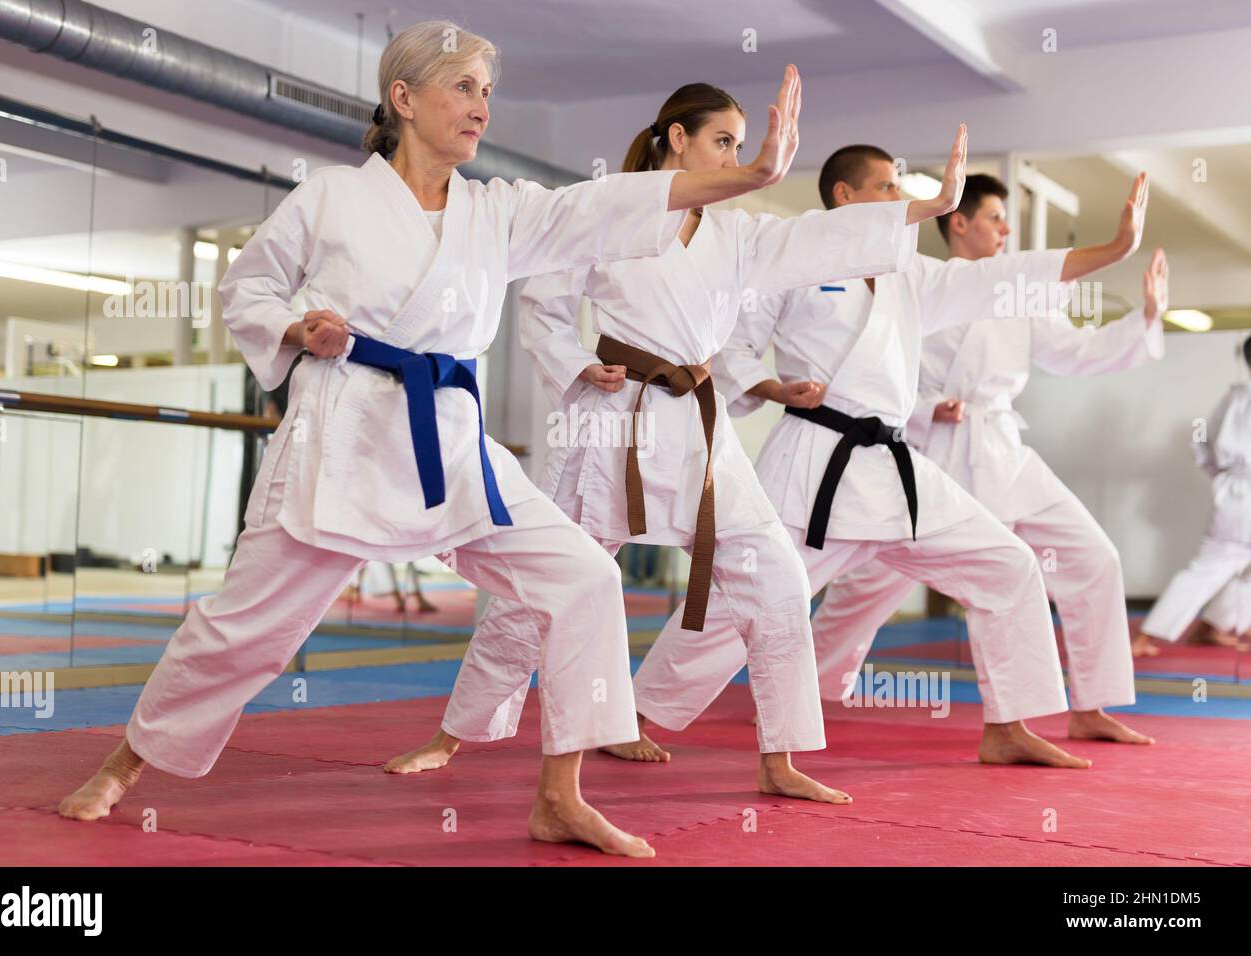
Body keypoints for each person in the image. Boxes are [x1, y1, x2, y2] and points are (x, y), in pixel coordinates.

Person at [58, 21, 808, 858]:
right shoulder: (332, 198)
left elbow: (598, 208)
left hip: (453, 444)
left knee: (584, 576)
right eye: (461, 86)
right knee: (247, 629)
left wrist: (752, 175)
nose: (480, 105)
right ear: (404, 99)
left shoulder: (498, 210)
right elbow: (249, 288)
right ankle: (123, 766)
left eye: (487, 91)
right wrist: (297, 327)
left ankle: (560, 796)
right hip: (341, 438)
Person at [383, 86, 966, 808]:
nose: (733, 156)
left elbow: (819, 237)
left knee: (777, 579)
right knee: (541, 595)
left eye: (739, 144)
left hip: (698, 429)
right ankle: (453, 735)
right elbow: (542, 307)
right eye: (724, 141)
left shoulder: (735, 234)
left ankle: (779, 756)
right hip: (610, 425)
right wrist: (575, 367)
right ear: (678, 139)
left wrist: (924, 209)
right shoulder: (610, 207)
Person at [637, 146, 1150, 769]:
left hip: (893, 465)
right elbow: (734, 347)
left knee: (1009, 565)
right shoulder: (791, 260)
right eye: (885, 186)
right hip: (815, 460)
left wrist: (1111, 252)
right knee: (743, 593)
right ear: (845, 197)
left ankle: (1008, 725)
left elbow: (998, 279)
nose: (898, 197)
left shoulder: (911, 272)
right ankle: (636, 713)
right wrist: (772, 387)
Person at [809, 179, 1167, 746]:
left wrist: (1144, 320)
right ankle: (807, 692)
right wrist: (927, 409)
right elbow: (878, 366)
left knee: (1094, 558)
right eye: (996, 218)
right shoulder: (915, 282)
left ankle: (1090, 705)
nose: (1005, 230)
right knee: (869, 586)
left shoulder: (1017, 292)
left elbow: (1074, 353)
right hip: (930, 455)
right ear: (959, 222)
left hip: (1002, 449)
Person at [1133, 335, 1251, 658]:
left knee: (1229, 565)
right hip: (1244, 494)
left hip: (1234, 491)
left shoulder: (1234, 397)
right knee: (1213, 565)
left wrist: (1222, 475)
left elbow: (1200, 439)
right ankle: (1146, 635)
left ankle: (1212, 626)